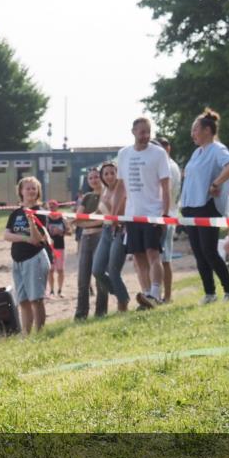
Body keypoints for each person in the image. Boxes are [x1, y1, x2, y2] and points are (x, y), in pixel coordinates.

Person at [179, 108, 229, 304]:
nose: (192, 134)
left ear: (207, 130)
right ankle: (209, 293)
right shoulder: (197, 152)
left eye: (195, 129)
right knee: (199, 253)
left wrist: (216, 183)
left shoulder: (217, 149)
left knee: (209, 251)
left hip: (207, 206)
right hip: (190, 207)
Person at [110, 117, 171, 310]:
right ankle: (146, 295)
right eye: (142, 132)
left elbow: (165, 186)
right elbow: (120, 186)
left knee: (153, 254)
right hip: (132, 214)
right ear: (133, 132)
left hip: (152, 213)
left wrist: (165, 214)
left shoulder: (159, 153)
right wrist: (114, 214)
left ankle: (155, 292)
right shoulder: (124, 154)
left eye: (148, 131)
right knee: (138, 256)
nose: (145, 136)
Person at [4, 177, 52, 334]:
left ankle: (40, 333)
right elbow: (7, 235)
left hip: (35, 258)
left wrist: (32, 222)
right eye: (28, 188)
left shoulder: (41, 211)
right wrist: (24, 238)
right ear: (21, 191)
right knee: (23, 301)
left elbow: (38, 240)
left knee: (36, 299)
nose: (31, 191)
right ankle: (26, 334)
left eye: (34, 188)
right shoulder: (16, 213)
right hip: (18, 260)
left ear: (38, 191)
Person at [93, 161, 130, 313]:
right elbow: (99, 213)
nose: (109, 176)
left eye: (112, 173)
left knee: (113, 270)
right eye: (105, 173)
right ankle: (120, 293)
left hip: (120, 230)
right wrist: (77, 219)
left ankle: (123, 303)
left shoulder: (122, 189)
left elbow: (119, 213)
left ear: (117, 173)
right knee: (97, 270)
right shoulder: (104, 191)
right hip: (106, 230)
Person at [73, 169, 106, 320]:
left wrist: (88, 222)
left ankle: (100, 312)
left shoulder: (107, 195)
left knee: (100, 276)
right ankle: (81, 314)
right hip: (85, 239)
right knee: (83, 278)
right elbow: (78, 219)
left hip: (101, 236)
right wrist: (92, 222)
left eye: (96, 177)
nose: (94, 180)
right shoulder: (87, 197)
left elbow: (106, 219)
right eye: (90, 178)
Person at [155, 138, 182, 303]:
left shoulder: (169, 167)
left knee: (164, 259)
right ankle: (163, 295)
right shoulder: (169, 165)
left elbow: (163, 193)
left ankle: (167, 296)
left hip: (165, 216)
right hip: (167, 214)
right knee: (162, 258)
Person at [45, 199, 69, 298]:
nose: (52, 208)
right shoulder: (46, 218)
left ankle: (60, 290)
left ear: (57, 206)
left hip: (59, 247)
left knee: (60, 269)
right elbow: (42, 232)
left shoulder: (63, 218)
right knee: (50, 270)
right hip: (49, 247)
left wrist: (61, 232)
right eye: (50, 206)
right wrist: (49, 234)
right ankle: (51, 290)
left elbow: (69, 231)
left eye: (53, 206)